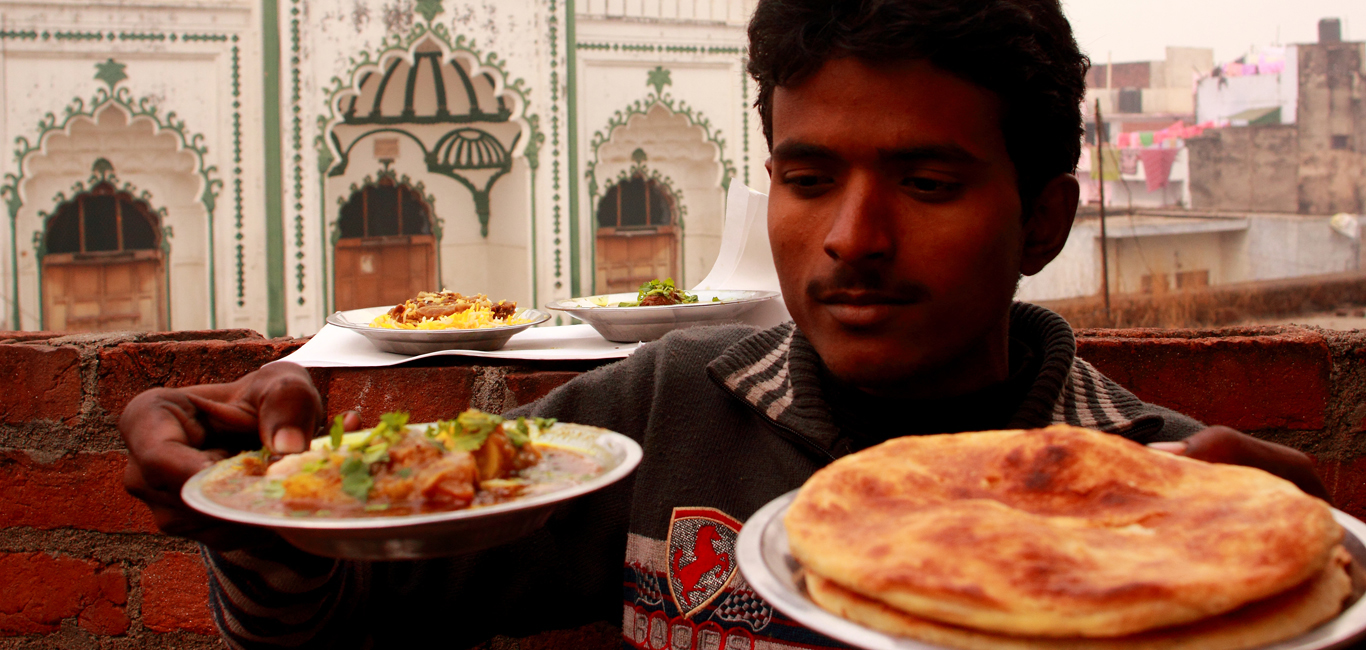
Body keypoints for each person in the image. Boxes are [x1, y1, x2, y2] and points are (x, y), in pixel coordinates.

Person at [119, 1, 1328, 648]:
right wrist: (265, 503)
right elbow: (340, 620)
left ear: (1041, 222)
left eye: (927, 181)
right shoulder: (653, 414)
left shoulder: (1166, 497)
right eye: (807, 179)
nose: (852, 235)